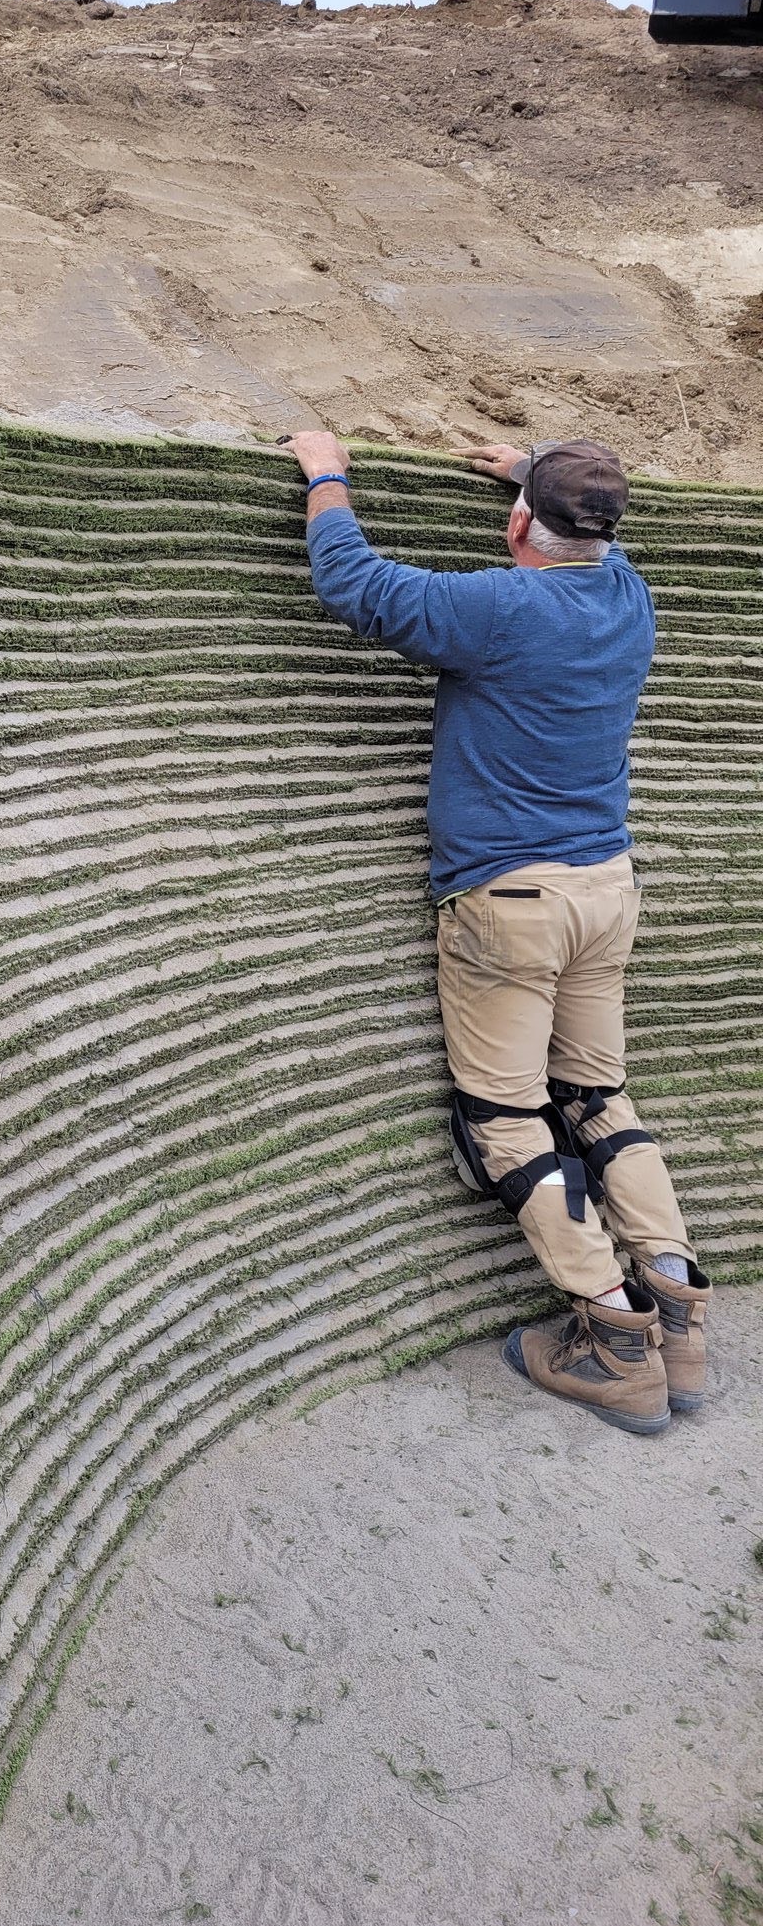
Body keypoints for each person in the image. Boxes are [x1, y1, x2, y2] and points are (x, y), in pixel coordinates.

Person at [280, 429, 710, 1437]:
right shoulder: (627, 596)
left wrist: (325, 473)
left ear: (522, 525)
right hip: (606, 887)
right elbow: (588, 534)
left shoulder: (503, 605)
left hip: (509, 900)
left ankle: (614, 1334)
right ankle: (680, 1313)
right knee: (598, 1096)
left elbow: (359, 587)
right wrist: (538, 477)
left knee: (506, 1117)